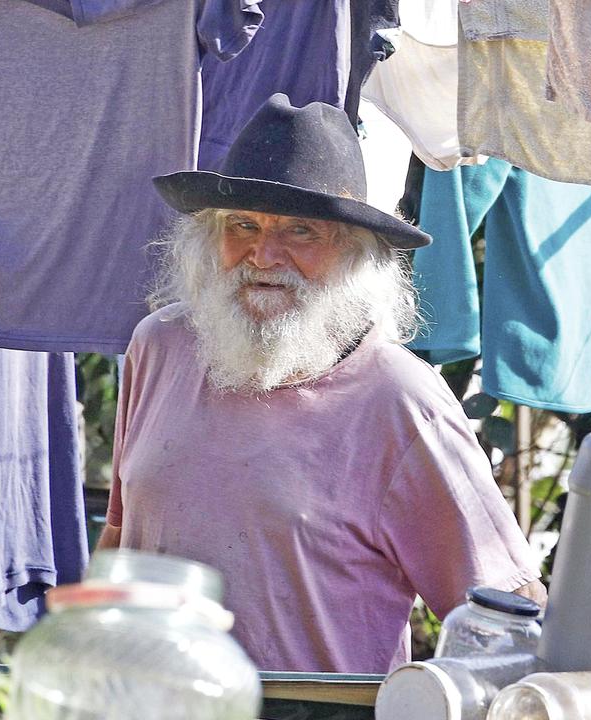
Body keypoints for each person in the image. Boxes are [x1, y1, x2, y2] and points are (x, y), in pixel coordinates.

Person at [97, 94, 544, 674]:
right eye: (243, 225)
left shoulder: (400, 400)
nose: (264, 254)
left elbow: (504, 614)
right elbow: (120, 531)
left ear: (355, 254)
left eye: (301, 232)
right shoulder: (160, 346)